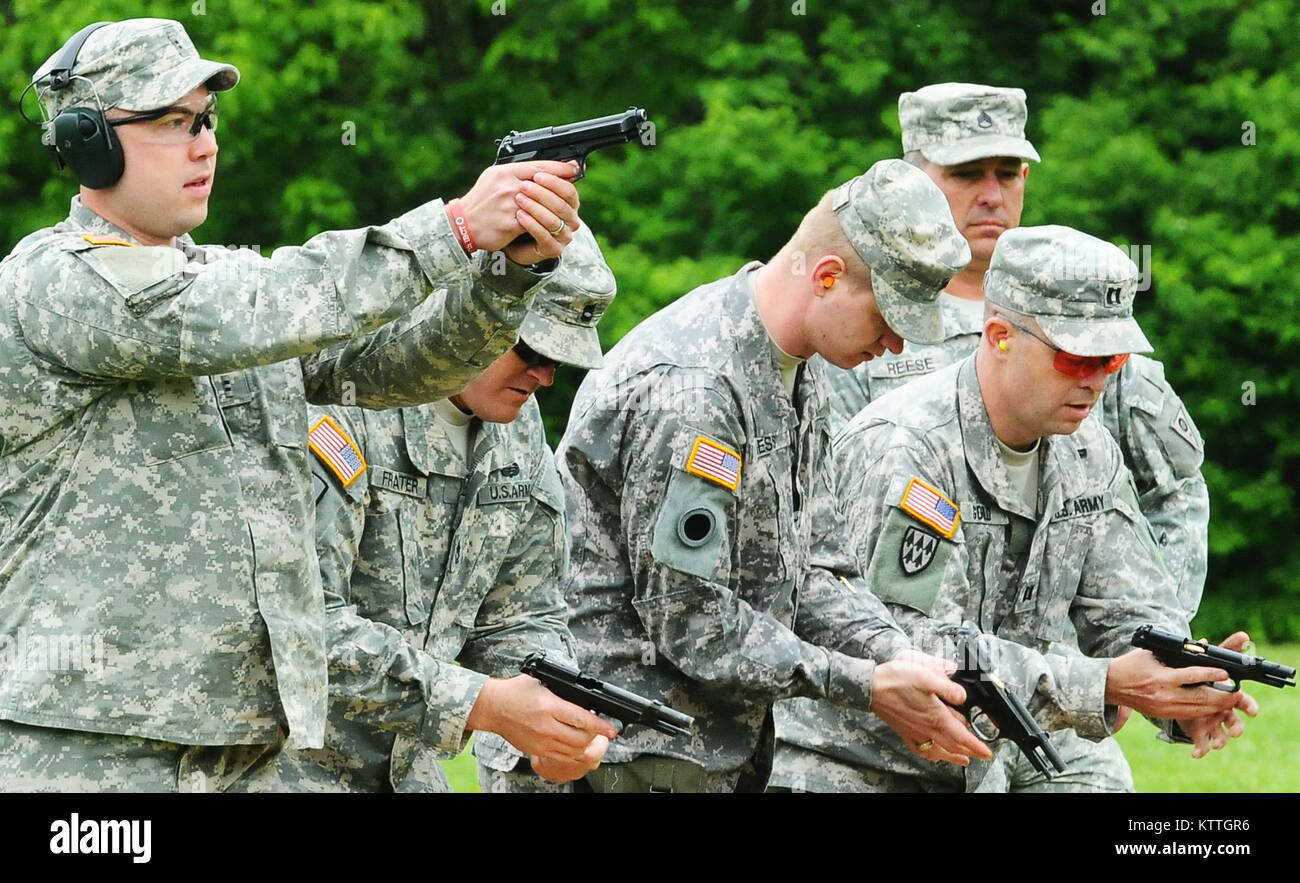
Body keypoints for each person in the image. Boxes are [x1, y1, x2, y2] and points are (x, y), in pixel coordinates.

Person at [0, 18, 583, 791]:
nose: (205, 144)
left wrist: (508, 273)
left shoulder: (227, 287)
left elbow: (402, 365)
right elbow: (274, 302)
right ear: (87, 142)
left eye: (205, 121)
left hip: (248, 754)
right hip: (92, 754)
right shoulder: (55, 282)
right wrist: (454, 228)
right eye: (173, 123)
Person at [555, 159, 997, 793]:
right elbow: (688, 618)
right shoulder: (696, 389)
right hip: (612, 751)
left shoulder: (799, 366)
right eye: (888, 317)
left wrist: (895, 654)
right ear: (826, 276)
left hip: (704, 752)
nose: (896, 345)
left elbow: (814, 566)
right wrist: (867, 686)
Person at [773, 225, 1255, 793]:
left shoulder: (1087, 448)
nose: (1099, 380)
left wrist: (1179, 685)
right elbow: (914, 645)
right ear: (1000, 335)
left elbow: (1125, 611)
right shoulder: (908, 446)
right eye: (1078, 358)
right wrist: (1104, 683)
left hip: (1010, 745)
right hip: (866, 760)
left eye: (1113, 358)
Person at [241, 227, 619, 793]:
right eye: (533, 351)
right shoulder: (343, 406)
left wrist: (555, 722)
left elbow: (521, 616)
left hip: (410, 774)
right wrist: (483, 704)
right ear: (473, 310)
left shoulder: (517, 431)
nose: (543, 377)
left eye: (560, 363)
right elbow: (301, 625)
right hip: (283, 772)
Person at [823, 82, 1209, 615]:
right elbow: (828, 512)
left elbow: (1173, 492)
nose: (991, 194)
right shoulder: (870, 327)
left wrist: (1149, 646)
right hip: (911, 638)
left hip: (1071, 667)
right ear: (914, 180)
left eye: (1007, 173)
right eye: (965, 174)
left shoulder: (1085, 320)